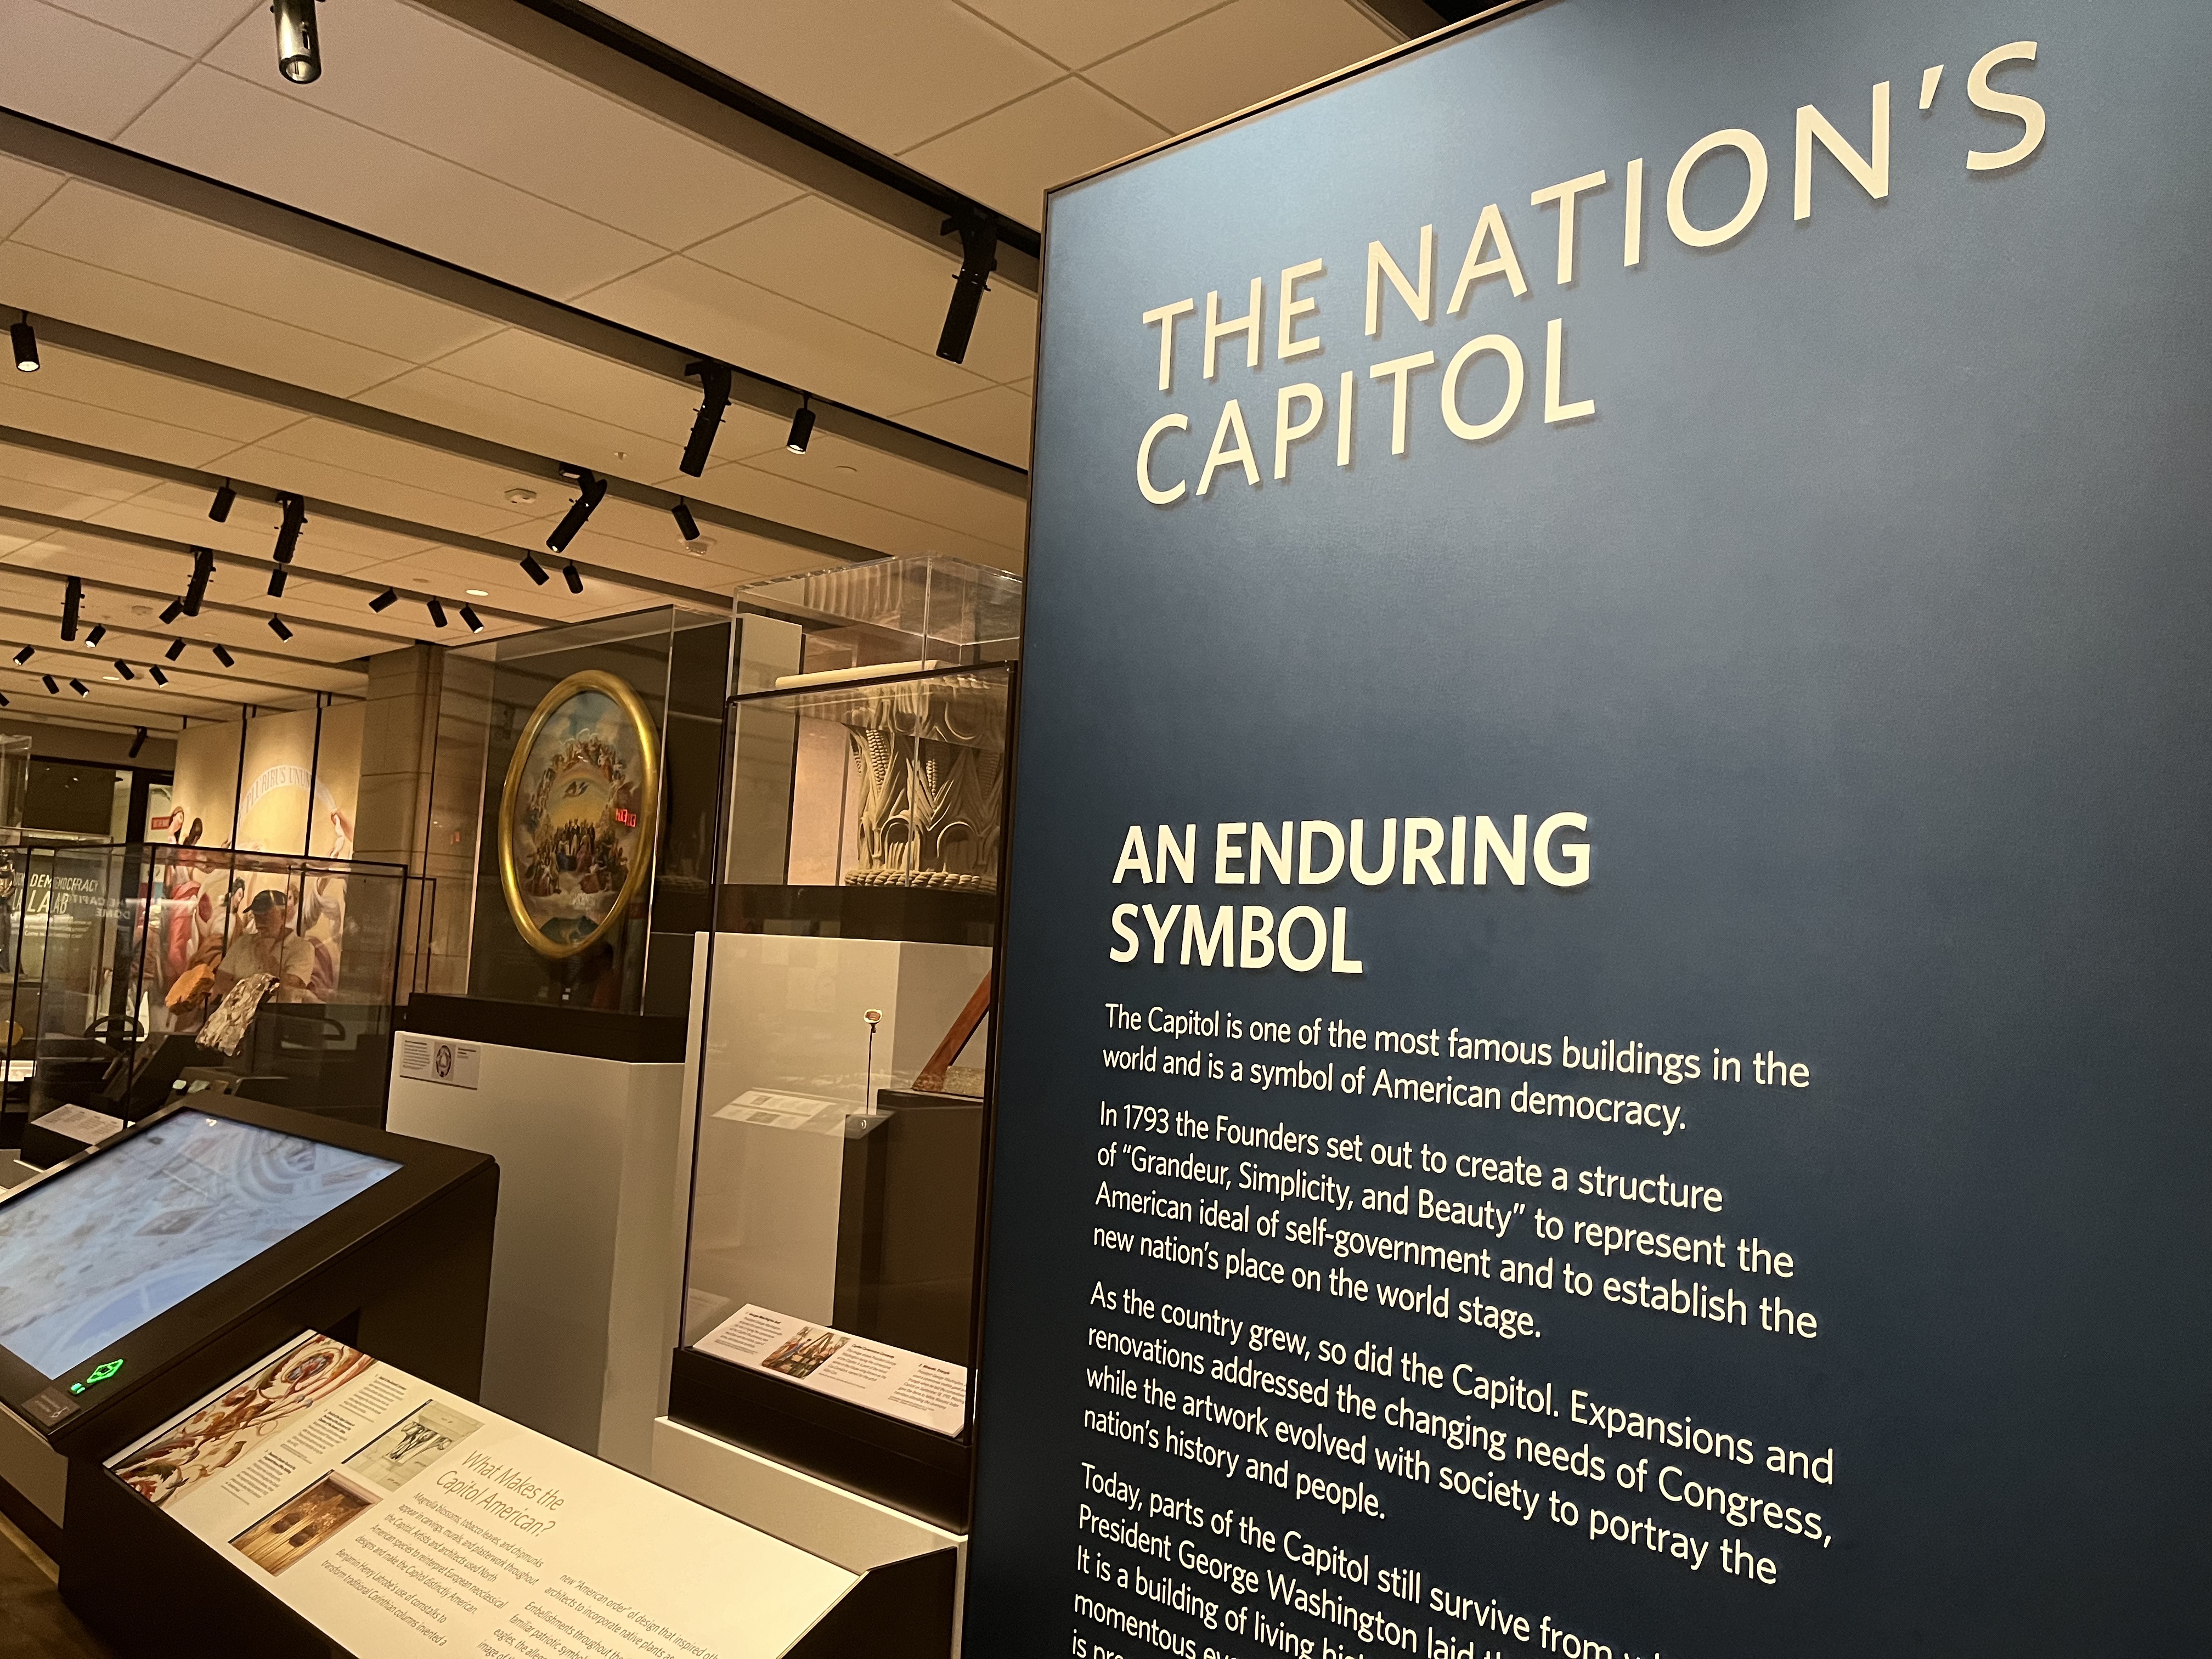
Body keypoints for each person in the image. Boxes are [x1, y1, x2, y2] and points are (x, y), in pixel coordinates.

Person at [210, 888, 318, 1003]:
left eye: (267, 916)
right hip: (235, 1011)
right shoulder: (242, 943)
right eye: (257, 916)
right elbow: (221, 980)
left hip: (276, 1013)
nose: (260, 923)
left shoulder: (303, 949)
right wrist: (252, 992)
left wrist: (266, 956)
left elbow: (289, 988)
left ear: (283, 916)